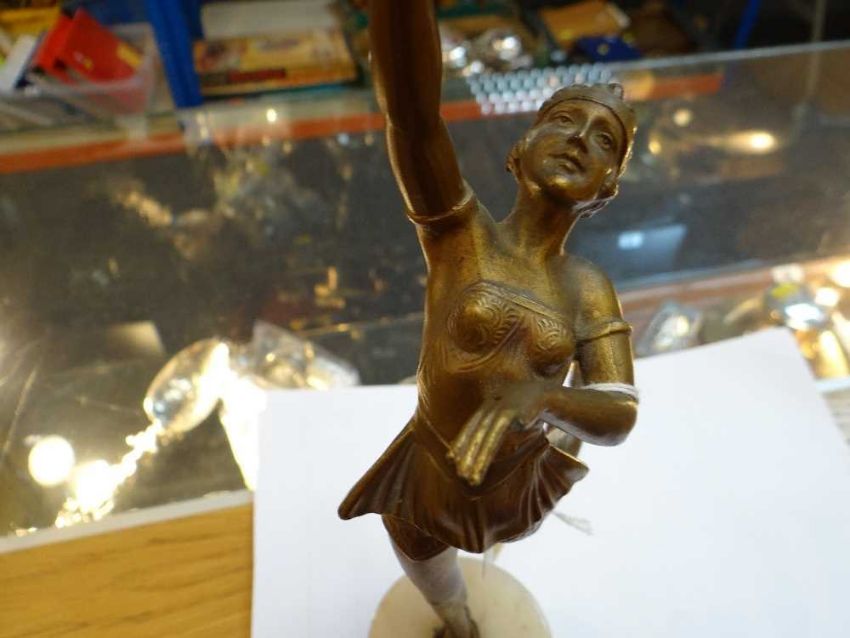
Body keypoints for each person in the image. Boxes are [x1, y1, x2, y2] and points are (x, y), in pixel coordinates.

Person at [339, 2, 639, 636]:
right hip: (426, 471)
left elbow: (618, 409)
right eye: (563, 121)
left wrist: (545, 398)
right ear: (519, 149)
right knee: (430, 571)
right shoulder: (459, 235)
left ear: (607, 190)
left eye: (604, 139)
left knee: (470, 555)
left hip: (514, 482)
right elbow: (413, 119)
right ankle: (457, 621)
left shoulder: (587, 287)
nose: (580, 139)